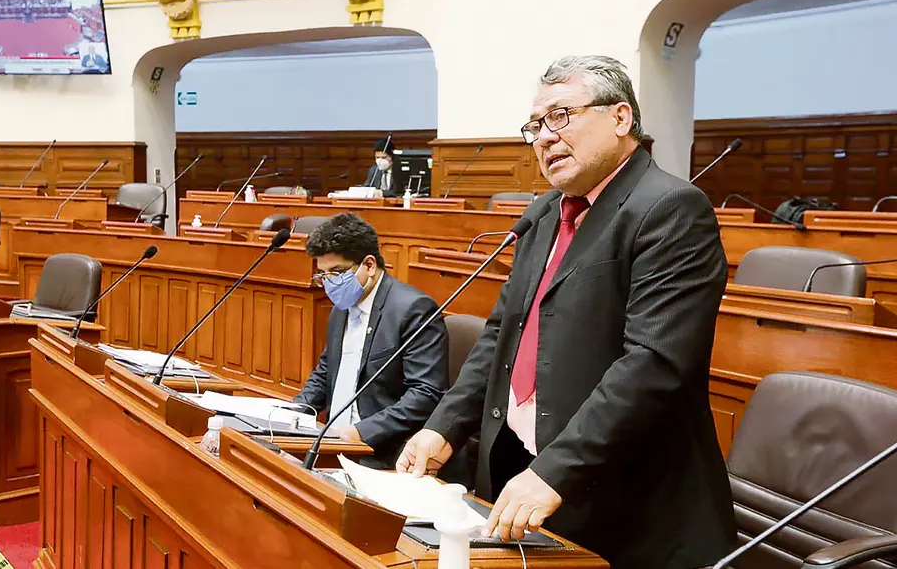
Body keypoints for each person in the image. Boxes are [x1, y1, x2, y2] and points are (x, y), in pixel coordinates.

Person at [396, 55, 735, 569]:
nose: (544, 137)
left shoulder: (670, 208)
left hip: (624, 501)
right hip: (527, 480)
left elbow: (652, 364)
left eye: (561, 116)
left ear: (621, 118)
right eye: (536, 125)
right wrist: (443, 427)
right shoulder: (547, 214)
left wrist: (556, 469)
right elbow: (500, 339)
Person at [293, 213, 450, 470]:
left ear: (369, 265)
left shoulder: (413, 309)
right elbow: (325, 372)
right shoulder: (341, 308)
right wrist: (294, 414)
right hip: (334, 444)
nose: (329, 284)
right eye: (322, 275)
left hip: (383, 451)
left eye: (337, 273)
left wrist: (360, 432)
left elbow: (425, 394)